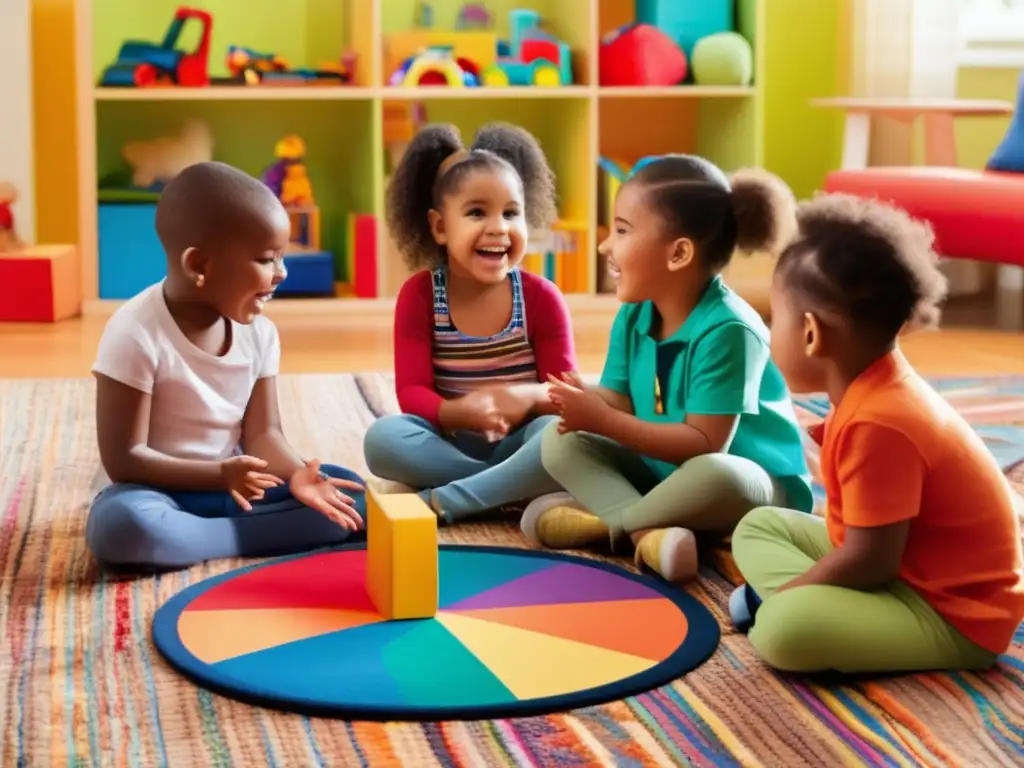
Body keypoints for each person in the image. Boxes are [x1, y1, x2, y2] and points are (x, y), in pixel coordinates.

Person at [730, 194, 1024, 674]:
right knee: (759, 526)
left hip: (954, 616)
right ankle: (808, 609)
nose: (768, 330)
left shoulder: (880, 422)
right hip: (905, 570)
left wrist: (789, 595)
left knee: (786, 629)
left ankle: (785, 611)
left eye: (774, 318)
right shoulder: (874, 384)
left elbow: (871, 563)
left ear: (810, 334)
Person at [525, 155, 812, 583]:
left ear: (678, 254)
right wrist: (577, 401)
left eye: (622, 231)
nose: (606, 245)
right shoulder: (637, 309)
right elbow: (618, 398)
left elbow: (703, 445)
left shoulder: (729, 329)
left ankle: (610, 525)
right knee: (560, 442)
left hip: (747, 481)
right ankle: (647, 533)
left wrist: (605, 420)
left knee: (720, 474)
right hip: (666, 470)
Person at [87, 161, 365, 572]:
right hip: (151, 491)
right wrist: (219, 474)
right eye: (267, 259)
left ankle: (200, 538)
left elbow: (264, 434)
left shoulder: (260, 334)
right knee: (123, 528)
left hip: (235, 486)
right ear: (199, 265)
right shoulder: (134, 333)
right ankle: (241, 536)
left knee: (352, 495)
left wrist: (296, 476)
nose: (281, 273)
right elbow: (124, 459)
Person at [362, 122, 576, 524]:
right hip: (448, 442)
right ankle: (505, 489)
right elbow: (412, 392)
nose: (498, 227)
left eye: (512, 213)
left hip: (523, 440)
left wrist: (524, 398)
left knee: (563, 437)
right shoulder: (420, 295)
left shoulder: (541, 297)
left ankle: (452, 499)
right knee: (383, 439)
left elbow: (563, 393)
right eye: (477, 212)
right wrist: (459, 413)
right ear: (440, 227)